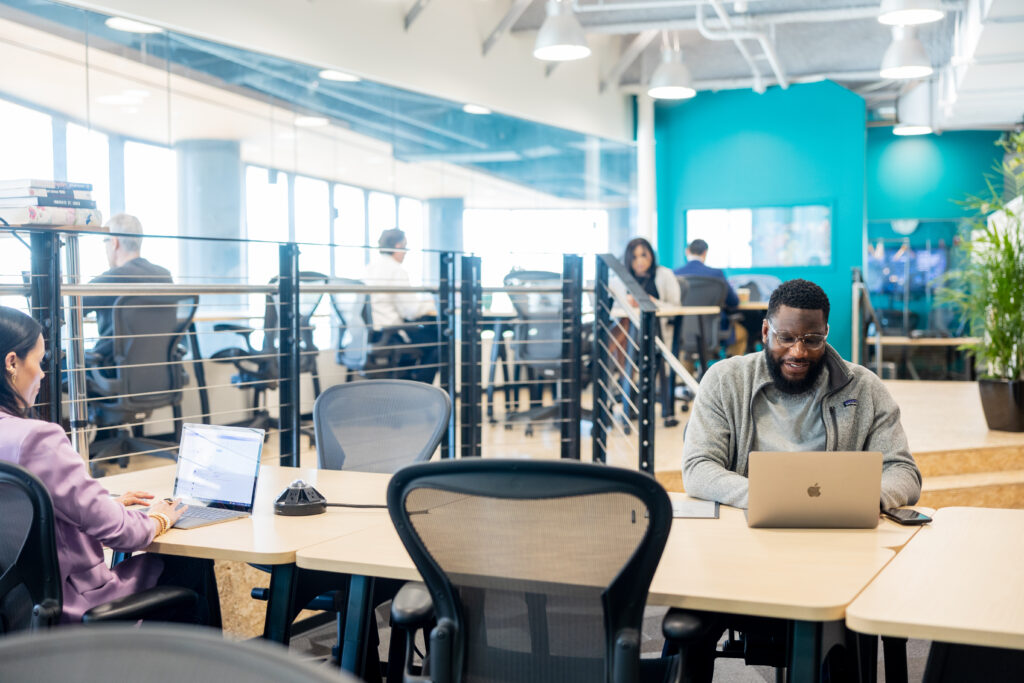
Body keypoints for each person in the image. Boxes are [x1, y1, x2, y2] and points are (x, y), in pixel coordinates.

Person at [679, 279, 922, 682]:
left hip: (836, 556)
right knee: (689, 621)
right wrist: (767, 498)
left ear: (826, 333)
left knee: (838, 644)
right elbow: (699, 466)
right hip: (741, 551)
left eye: (812, 339)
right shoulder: (725, 380)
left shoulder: (864, 388)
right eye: (786, 337)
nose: (798, 351)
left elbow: (904, 471)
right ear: (765, 332)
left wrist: (865, 497)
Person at [0, 306, 217, 625]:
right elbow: (121, 533)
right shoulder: (37, 439)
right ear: (12, 362)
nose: (44, 374)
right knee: (190, 563)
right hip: (69, 607)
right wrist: (159, 517)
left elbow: (21, 519)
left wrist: (106, 505)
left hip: (13, 610)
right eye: (40, 360)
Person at [82, 213, 173, 369]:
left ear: (114, 242)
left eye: (105, 242)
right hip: (158, 370)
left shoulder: (110, 279)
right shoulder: (165, 276)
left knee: (58, 367)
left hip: (112, 369)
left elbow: (67, 308)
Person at [612, 238, 681, 424]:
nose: (640, 261)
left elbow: (675, 306)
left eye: (644, 255)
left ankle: (627, 388)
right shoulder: (621, 279)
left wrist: (651, 301)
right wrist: (627, 303)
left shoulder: (664, 275)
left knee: (623, 338)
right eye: (634, 257)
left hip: (656, 334)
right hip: (628, 334)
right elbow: (612, 310)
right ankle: (628, 390)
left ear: (651, 255)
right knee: (624, 325)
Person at [362, 229, 438, 384]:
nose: (405, 253)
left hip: (371, 334)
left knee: (423, 337)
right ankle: (420, 390)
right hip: (390, 334)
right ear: (398, 246)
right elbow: (411, 311)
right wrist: (431, 305)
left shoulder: (370, 268)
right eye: (405, 247)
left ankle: (407, 381)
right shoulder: (397, 270)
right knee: (440, 343)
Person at [673, 238, 747, 357]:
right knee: (742, 334)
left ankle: (685, 375)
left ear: (687, 252)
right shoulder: (717, 274)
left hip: (682, 332)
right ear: (705, 253)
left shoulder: (675, 274)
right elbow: (734, 302)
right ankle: (730, 373)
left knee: (685, 351)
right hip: (713, 330)